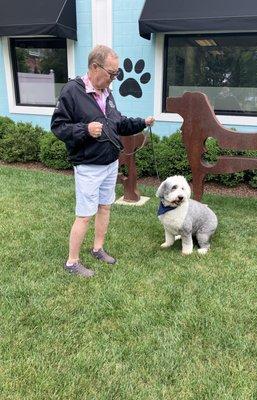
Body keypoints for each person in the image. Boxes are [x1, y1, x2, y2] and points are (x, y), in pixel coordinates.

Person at [51, 45, 155, 277]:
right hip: (88, 165)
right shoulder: (72, 91)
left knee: (105, 207)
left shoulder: (108, 93)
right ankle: (72, 262)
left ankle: (97, 248)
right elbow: (58, 127)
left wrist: (143, 122)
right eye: (112, 73)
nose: (114, 79)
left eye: (116, 74)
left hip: (110, 162)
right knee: (85, 214)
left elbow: (118, 123)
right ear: (95, 67)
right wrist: (85, 129)